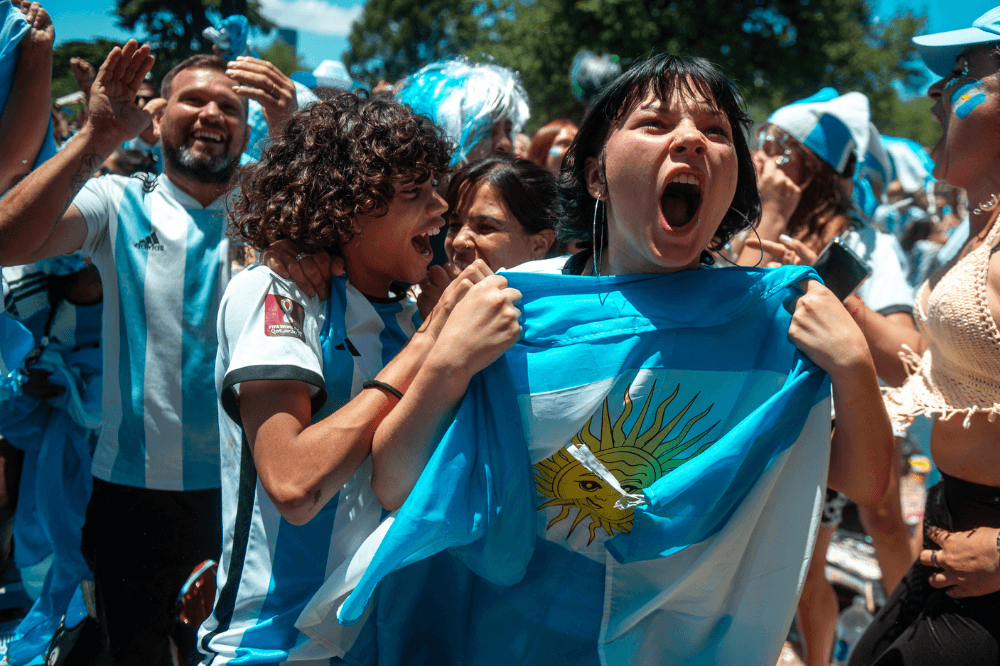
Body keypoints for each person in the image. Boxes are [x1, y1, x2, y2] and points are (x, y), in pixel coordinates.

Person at [319, 53, 893, 666]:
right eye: (654, 124)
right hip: (503, 641)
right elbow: (395, 482)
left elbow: (863, 482)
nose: (691, 140)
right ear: (596, 175)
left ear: (734, 181)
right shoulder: (515, 304)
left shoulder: (768, 323)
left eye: (716, 130)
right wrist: (447, 365)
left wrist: (854, 366)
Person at [0, 42, 324, 666]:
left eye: (230, 106)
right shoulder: (119, 199)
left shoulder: (271, 207)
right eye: (193, 99)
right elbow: (8, 240)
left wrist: (292, 134)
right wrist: (96, 135)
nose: (211, 114)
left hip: (248, 494)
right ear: (156, 115)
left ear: (247, 128)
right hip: (131, 495)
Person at [199, 90, 522, 664]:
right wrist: (428, 346)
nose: (440, 209)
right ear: (347, 205)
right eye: (414, 192)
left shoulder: (414, 309)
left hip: (386, 643)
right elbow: (295, 486)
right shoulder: (277, 291)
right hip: (275, 649)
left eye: (435, 187)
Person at [847, 7, 1000, 664]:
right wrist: (846, 310)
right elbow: (938, 370)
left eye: (962, 72)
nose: (937, 92)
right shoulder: (979, 232)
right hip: (949, 530)